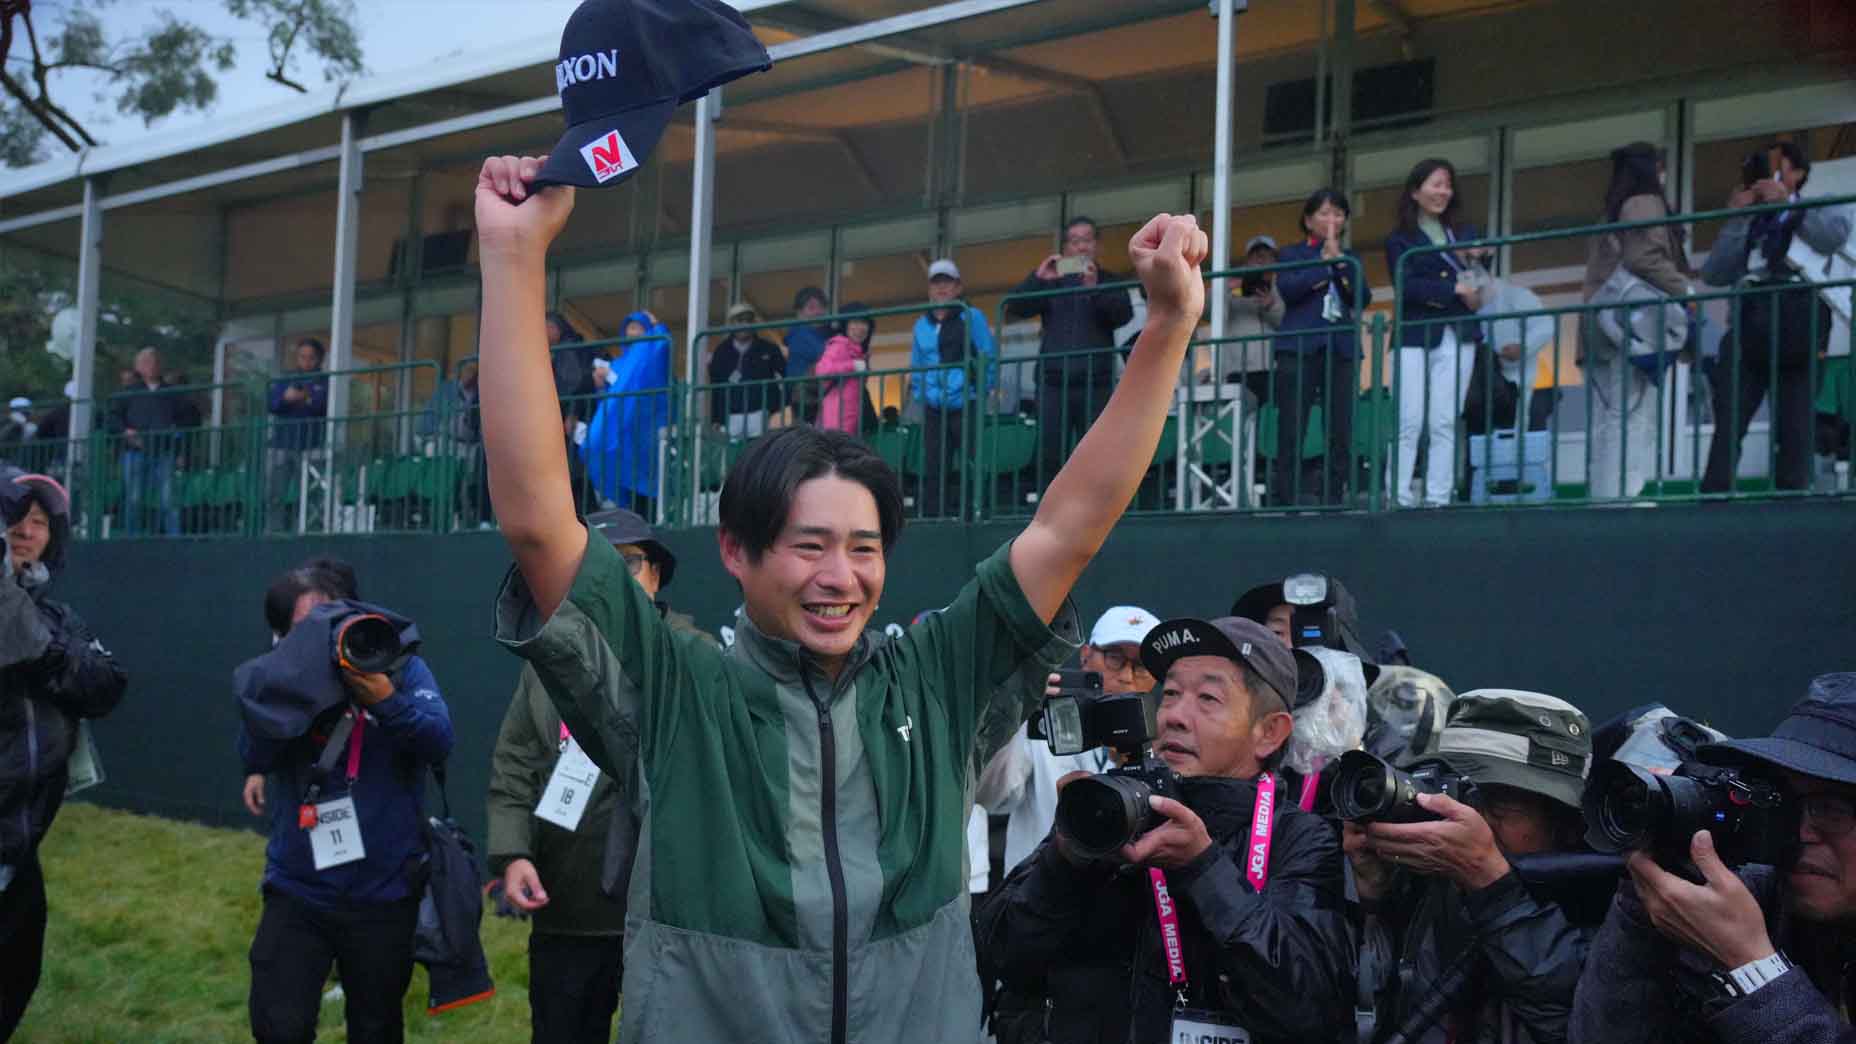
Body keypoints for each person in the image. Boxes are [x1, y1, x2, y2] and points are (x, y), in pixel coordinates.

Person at [474, 145, 1207, 1043]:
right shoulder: (676, 690)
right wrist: (513, 259)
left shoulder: (937, 678)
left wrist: (1169, 323)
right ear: (737, 552)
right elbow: (542, 524)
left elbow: (1069, 526)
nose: (841, 577)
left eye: (865, 548)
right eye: (809, 546)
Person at [977, 615, 1353, 1044]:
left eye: (1208, 698)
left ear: (1269, 732)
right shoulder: (1111, 813)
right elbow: (996, 957)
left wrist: (1204, 870)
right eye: (1170, 693)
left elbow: (1311, 1008)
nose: (1174, 715)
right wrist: (1064, 861)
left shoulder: (1301, 838)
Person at [488, 510, 715, 1044]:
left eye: (630, 562)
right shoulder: (549, 657)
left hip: (667, 908)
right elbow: (515, 759)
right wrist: (512, 853)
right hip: (566, 904)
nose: (614, 576)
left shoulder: (693, 652)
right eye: (599, 564)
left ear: (656, 574)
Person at [1571, 673, 1856, 1044]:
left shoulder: (1745, 930)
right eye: (1782, 801)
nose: (1799, 833)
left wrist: (1754, 967)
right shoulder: (1755, 899)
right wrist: (1644, 902)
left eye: (1830, 809)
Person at [237, 564, 454, 1044]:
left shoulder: (398, 665)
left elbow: (438, 740)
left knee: (376, 1027)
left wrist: (384, 699)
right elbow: (254, 755)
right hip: (299, 887)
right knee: (278, 1025)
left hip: (383, 891)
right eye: (301, 629)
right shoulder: (285, 681)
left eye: (327, 620)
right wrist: (294, 690)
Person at [1346, 689, 1594, 1044]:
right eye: (1463, 793)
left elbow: (1578, 1023)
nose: (1472, 820)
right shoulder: (1427, 884)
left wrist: (1494, 888)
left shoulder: (1611, 898)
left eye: (1502, 804)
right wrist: (1371, 904)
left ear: (1567, 823)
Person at [0, 468, 127, 1038]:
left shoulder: (57, 617)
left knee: (14, 980)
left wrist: (40, 650)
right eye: (13, 519)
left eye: (38, 523)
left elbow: (104, 686)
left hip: (20, 846)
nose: (26, 532)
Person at [1701, 142, 1853, 493]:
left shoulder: (1822, 205)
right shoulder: (1751, 219)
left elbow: (1833, 237)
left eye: (1775, 167)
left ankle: (1791, 499)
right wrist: (1739, 217)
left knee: (1795, 421)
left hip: (1800, 314)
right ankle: (1714, 498)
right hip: (1750, 315)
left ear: (1798, 173)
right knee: (1730, 416)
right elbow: (1714, 273)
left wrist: (1786, 204)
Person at [975, 605, 1163, 878]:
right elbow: (991, 795)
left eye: (1142, 666)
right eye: (1114, 657)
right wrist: (1014, 713)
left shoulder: (1168, 739)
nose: (1126, 676)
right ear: (1086, 656)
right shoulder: (1041, 720)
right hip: (1040, 897)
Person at [1580, 142, 1692, 500]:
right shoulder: (1644, 203)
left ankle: (1606, 494)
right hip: (1631, 324)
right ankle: (1624, 495)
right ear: (1653, 168)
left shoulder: (1610, 212)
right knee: (1631, 415)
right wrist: (1686, 291)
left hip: (1604, 324)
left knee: (1609, 416)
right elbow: (1645, 259)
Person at [1386, 158, 1487, 508]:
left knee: (1445, 419)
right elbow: (1406, 286)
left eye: (1447, 184)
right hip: (1413, 334)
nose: (1442, 191)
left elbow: (1481, 283)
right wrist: (1452, 290)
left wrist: (1475, 267)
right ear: (1415, 191)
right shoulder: (1399, 239)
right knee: (1407, 420)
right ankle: (1398, 497)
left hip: (1458, 332)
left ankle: (1438, 498)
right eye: (1435, 184)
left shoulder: (1466, 233)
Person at [1007, 217, 1137, 488]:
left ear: (1097, 246)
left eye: (1086, 240)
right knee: (1049, 452)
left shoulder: (1110, 280)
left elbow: (1123, 315)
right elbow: (1014, 309)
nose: (1081, 247)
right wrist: (1037, 278)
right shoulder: (1052, 281)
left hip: (1095, 380)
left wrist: (1095, 290)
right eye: (1075, 241)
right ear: (1066, 247)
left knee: (1097, 452)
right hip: (1054, 382)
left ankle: (1095, 514)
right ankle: (1048, 517)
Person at [1273, 188, 1363, 506]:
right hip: (1300, 346)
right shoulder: (1291, 254)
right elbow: (1290, 289)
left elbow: (1360, 297)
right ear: (1309, 220)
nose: (1331, 220)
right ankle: (1286, 497)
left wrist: (1338, 265)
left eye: (1338, 214)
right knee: (1292, 426)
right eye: (1324, 213)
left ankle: (1334, 495)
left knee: (1341, 426)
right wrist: (1323, 266)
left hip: (1341, 348)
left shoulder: (1350, 259)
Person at [910, 259, 998, 518]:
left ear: (958, 287)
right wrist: (923, 395)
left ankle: (978, 512)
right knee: (934, 463)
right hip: (933, 406)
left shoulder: (972, 316)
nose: (941, 289)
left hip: (965, 402)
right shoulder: (920, 324)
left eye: (947, 282)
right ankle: (934, 516)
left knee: (973, 460)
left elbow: (987, 356)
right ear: (929, 290)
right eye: (936, 283)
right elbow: (917, 364)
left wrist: (980, 390)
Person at [583, 310, 671, 516]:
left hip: (646, 424)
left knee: (646, 475)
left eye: (639, 327)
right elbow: (612, 395)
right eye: (630, 328)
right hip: (622, 428)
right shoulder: (619, 362)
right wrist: (600, 384)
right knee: (620, 468)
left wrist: (657, 324)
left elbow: (664, 344)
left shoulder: (653, 351)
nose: (634, 332)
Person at [107, 346, 183, 535]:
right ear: (138, 366)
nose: (152, 365)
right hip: (135, 452)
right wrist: (126, 431)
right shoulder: (129, 391)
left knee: (169, 500)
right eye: (147, 362)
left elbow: (182, 422)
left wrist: (181, 451)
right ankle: (132, 539)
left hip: (164, 451)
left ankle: (176, 539)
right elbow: (112, 418)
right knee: (134, 499)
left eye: (155, 361)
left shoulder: (171, 392)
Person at [266, 338, 330, 533]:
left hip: (312, 444)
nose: (306, 362)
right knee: (276, 491)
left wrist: (304, 397)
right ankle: (274, 530)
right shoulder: (286, 379)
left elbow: (321, 404)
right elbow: (272, 405)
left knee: (311, 492)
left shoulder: (326, 380)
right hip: (282, 443)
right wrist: (287, 398)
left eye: (311, 358)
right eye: (302, 357)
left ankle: (306, 530)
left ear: (319, 359)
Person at [1218, 234, 1286, 399]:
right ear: (1247, 259)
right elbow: (1207, 311)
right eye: (1255, 254)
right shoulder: (1232, 281)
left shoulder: (1283, 284)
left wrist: (1271, 304)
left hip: (1274, 367)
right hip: (1238, 368)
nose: (1260, 259)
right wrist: (1226, 286)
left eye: (1266, 255)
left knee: (1270, 419)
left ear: (1275, 260)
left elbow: (1284, 321)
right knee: (1243, 420)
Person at [708, 302, 787, 439]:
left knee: (760, 455)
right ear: (731, 324)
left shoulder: (769, 348)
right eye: (739, 320)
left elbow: (785, 378)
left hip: (762, 414)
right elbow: (716, 387)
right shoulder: (721, 352)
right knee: (733, 456)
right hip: (731, 415)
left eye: (748, 320)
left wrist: (780, 411)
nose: (745, 324)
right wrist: (716, 419)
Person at [815, 302, 876, 436]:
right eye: (854, 322)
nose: (860, 328)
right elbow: (822, 371)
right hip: (834, 419)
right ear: (845, 325)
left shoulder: (857, 351)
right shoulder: (839, 344)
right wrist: (852, 365)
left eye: (864, 323)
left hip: (848, 419)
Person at [784, 286, 833, 423]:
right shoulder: (799, 333)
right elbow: (824, 355)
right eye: (811, 308)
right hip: (805, 397)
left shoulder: (824, 334)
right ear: (799, 313)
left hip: (815, 394)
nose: (818, 312)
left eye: (821, 307)